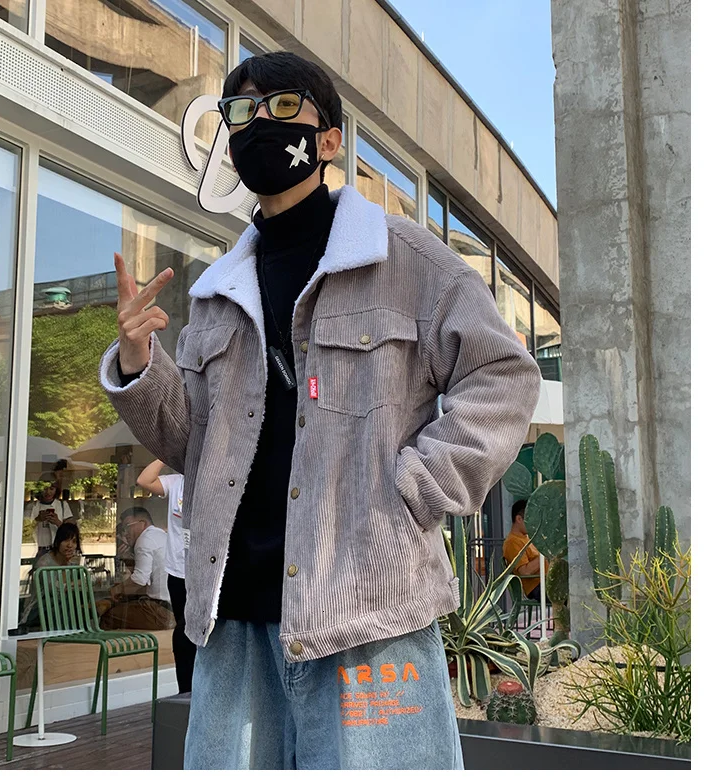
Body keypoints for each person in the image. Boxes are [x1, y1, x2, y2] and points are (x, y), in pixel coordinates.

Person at [99, 51, 541, 770]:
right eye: (241, 113)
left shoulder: (405, 258)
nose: (258, 125)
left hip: (369, 614)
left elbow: (503, 374)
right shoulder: (216, 291)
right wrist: (136, 362)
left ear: (329, 139)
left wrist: (417, 487)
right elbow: (190, 442)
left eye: (282, 108)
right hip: (236, 619)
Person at [137, 459, 196, 692]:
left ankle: (202, 688)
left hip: (205, 572)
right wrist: (165, 456)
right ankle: (185, 689)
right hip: (178, 571)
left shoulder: (214, 481)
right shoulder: (176, 482)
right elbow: (144, 480)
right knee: (183, 630)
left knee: (205, 631)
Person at [98, 507, 174, 632]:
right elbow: (146, 583)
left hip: (159, 611)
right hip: (172, 609)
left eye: (127, 527)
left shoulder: (144, 539)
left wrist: (117, 589)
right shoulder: (161, 536)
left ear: (142, 523)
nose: (125, 533)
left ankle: (103, 644)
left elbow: (140, 579)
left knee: (109, 616)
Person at [19, 521, 82, 629]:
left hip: (61, 608)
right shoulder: (44, 563)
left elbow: (85, 583)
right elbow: (55, 591)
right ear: (57, 541)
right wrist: (65, 566)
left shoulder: (74, 562)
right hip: (38, 609)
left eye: (74, 541)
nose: (70, 545)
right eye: (66, 540)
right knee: (65, 601)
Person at [503, 499, 550, 602]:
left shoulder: (527, 538)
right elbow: (525, 572)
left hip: (547, 581)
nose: (533, 524)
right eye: (530, 519)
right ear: (519, 519)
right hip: (537, 586)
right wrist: (545, 555)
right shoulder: (512, 542)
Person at [30, 474, 74, 559]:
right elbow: (27, 528)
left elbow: (70, 531)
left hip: (59, 550)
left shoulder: (62, 505)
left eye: (51, 489)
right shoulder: (34, 506)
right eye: (45, 489)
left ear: (56, 490)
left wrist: (57, 522)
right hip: (41, 549)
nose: (48, 492)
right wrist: (38, 519)